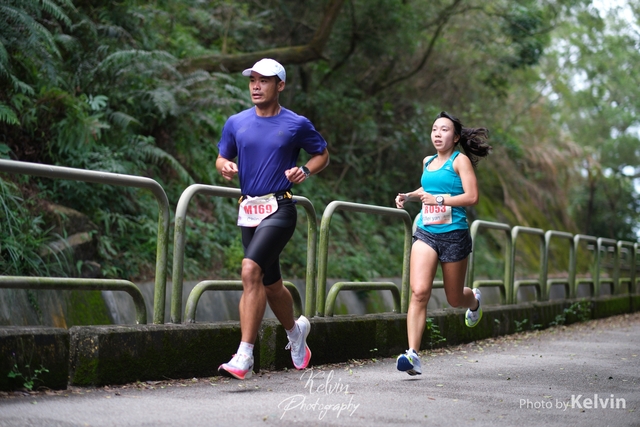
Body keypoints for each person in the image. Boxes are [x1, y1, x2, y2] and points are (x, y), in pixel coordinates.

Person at [216, 58, 330, 380]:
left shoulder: (296, 124)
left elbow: (322, 154)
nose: (256, 86)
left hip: (280, 207)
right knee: (270, 283)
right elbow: (222, 156)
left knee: (250, 270)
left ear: (280, 85)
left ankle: (244, 356)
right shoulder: (236, 122)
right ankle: (296, 332)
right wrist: (224, 166)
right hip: (249, 210)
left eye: (263, 81)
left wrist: (305, 170)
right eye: (252, 80)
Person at [394, 111, 491, 376]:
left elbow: (472, 196)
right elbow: (427, 190)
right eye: (435, 129)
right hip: (426, 231)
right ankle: (412, 354)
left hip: (454, 235)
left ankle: (474, 301)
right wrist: (409, 196)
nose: (438, 134)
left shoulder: (460, 161)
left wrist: (440, 200)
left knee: (454, 298)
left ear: (456, 137)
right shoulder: (427, 161)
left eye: (444, 130)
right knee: (419, 292)